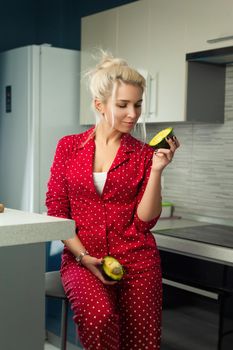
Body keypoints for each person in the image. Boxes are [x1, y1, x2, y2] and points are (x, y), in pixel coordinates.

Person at [46, 51, 180, 350]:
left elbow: (146, 221)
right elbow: (57, 211)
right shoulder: (68, 147)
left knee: (141, 342)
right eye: (123, 105)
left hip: (138, 261)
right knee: (99, 318)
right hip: (83, 258)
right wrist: (82, 257)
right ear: (99, 105)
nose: (133, 113)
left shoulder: (145, 154)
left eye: (138, 104)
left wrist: (157, 170)